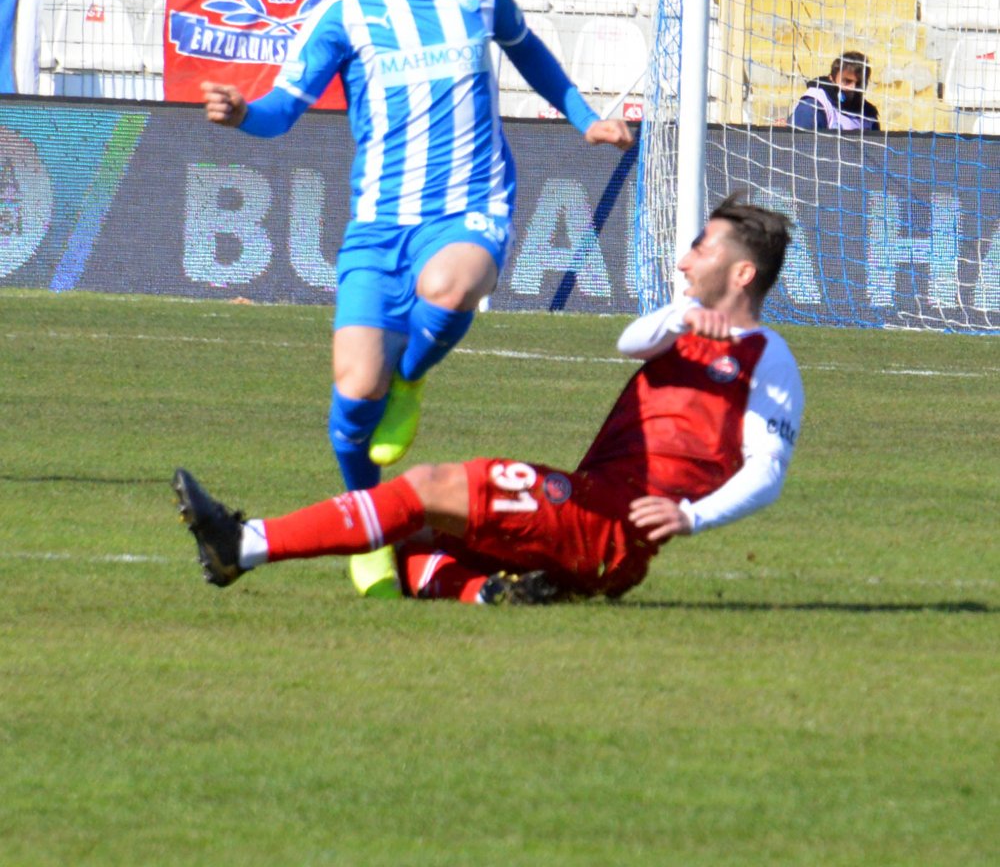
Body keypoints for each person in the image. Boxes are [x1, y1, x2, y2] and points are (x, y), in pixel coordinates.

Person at [200, 0, 634, 597]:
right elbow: (282, 110)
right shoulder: (345, 14)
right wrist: (243, 115)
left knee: (451, 285)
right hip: (378, 226)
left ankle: (411, 379)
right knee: (350, 402)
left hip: (470, 205)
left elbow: (528, 51)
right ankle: (367, 529)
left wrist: (586, 117)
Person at [172, 195, 805, 606]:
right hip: (592, 523)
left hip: (609, 525)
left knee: (428, 486)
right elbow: (631, 340)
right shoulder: (681, 326)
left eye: (701, 247)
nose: (684, 259)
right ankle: (492, 595)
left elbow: (768, 473)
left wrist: (692, 518)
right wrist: (685, 319)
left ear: (742, 273)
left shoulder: (766, 357)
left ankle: (242, 544)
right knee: (413, 535)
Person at [790, 51, 880, 132]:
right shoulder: (815, 104)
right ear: (832, 78)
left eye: (859, 83)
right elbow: (802, 143)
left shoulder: (868, 114)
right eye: (847, 81)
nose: (853, 88)